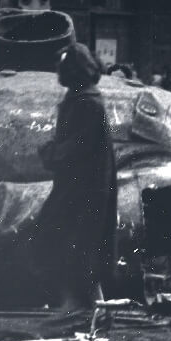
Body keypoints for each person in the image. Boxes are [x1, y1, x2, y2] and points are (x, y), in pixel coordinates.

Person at [35, 42, 118, 312]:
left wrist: (50, 153)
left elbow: (76, 147)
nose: (57, 69)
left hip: (83, 190)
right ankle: (93, 306)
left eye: (62, 64)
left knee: (72, 243)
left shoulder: (87, 104)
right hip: (83, 187)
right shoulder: (82, 99)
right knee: (79, 245)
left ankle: (77, 304)